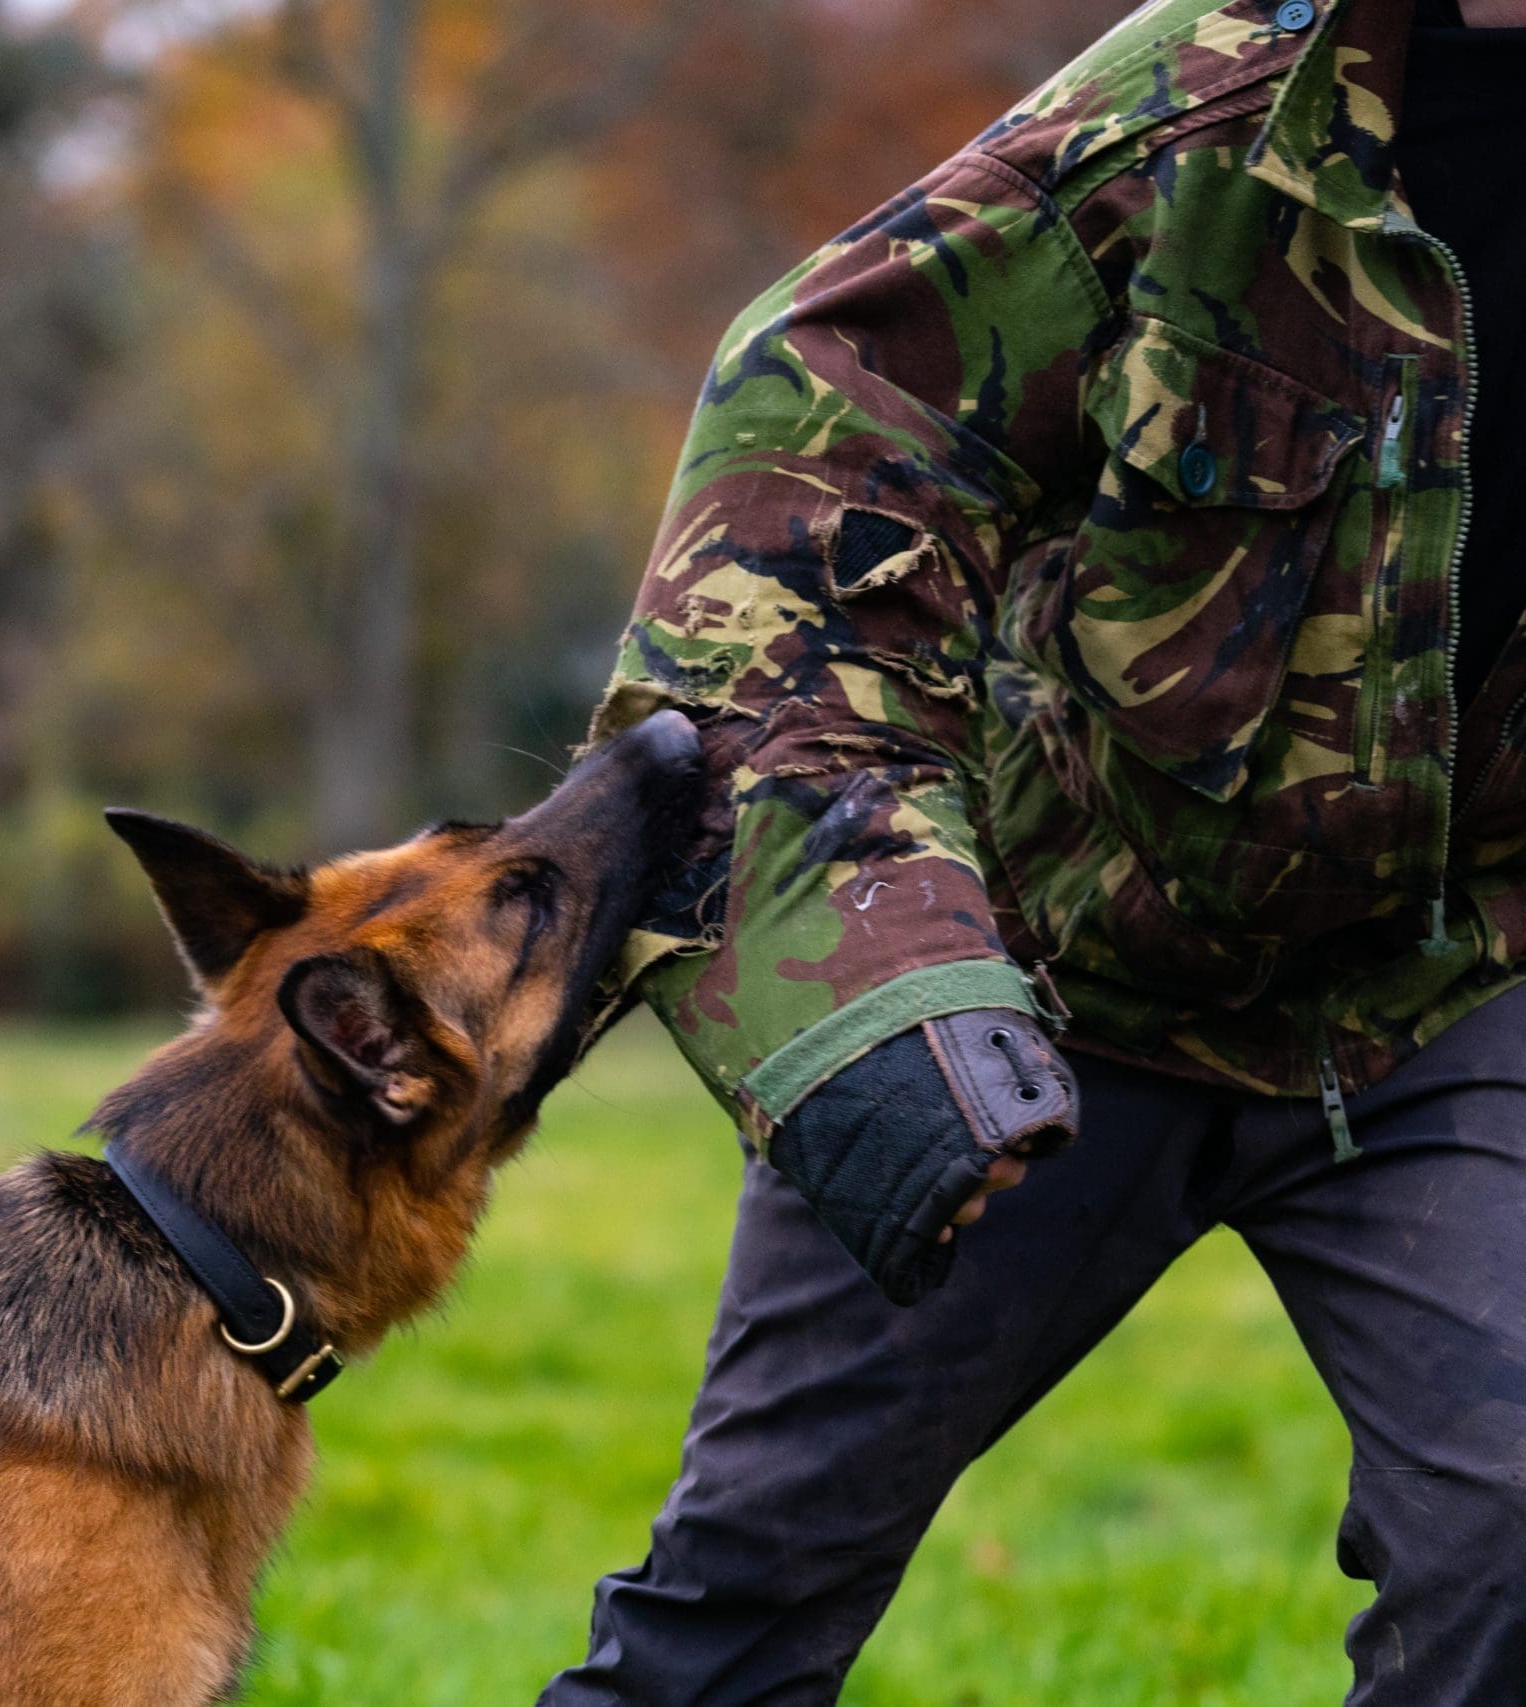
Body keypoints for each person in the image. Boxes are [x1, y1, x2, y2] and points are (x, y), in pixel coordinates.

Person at [544, 0, 1526, 1700]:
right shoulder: (1206, 115)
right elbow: (798, 476)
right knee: (738, 1613)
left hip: (1446, 988)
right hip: (1039, 984)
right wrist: (871, 984)